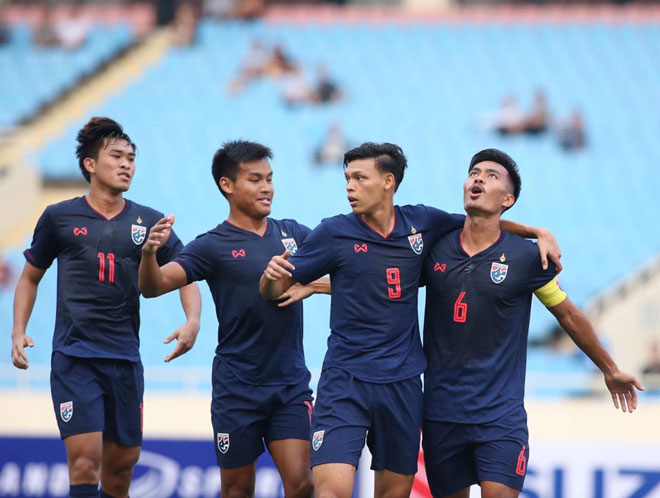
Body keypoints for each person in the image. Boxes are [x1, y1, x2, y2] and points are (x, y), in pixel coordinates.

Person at [259, 142, 561, 498]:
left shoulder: (424, 224)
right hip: (345, 381)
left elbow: (480, 222)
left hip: (402, 386)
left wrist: (536, 232)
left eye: (359, 178)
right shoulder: (334, 232)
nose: (349, 187)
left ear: (388, 181)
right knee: (330, 493)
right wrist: (271, 277)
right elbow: (274, 288)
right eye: (347, 179)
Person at [420, 148, 643, 498]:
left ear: (507, 199)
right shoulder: (434, 246)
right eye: (473, 172)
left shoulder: (526, 258)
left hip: (499, 418)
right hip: (440, 413)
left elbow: (567, 313)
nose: (478, 177)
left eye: (491, 175)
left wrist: (609, 368)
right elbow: (379, 276)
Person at [10, 117, 202, 498]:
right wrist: (18, 331)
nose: (127, 163)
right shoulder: (58, 217)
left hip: (125, 359)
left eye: (131, 157)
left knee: (120, 472)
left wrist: (192, 320)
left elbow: (187, 273)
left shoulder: (149, 220)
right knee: (84, 463)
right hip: (75, 357)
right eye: (116, 156)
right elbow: (30, 276)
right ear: (90, 165)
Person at [138, 140, 327, 498]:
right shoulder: (212, 245)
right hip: (237, 388)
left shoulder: (294, 234)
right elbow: (154, 286)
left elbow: (348, 272)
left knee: (303, 483)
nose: (267, 188)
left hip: (289, 386)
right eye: (255, 179)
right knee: (237, 490)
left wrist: (314, 286)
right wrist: (149, 254)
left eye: (269, 179)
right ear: (228, 185)